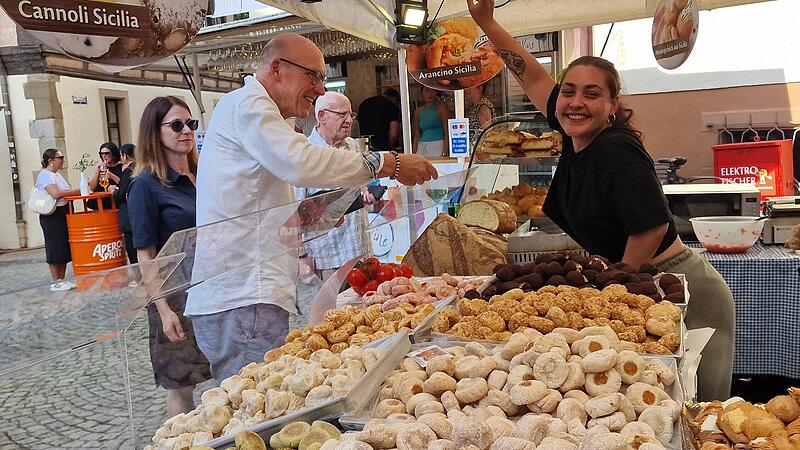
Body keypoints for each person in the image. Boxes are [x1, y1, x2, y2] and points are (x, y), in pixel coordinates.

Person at [468, 0, 734, 401]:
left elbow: (651, 227)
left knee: (696, 412)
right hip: (644, 279)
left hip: (680, 288)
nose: (575, 102)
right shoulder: (575, 132)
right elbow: (531, 74)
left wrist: (616, 291)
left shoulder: (615, 149)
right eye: (568, 92)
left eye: (591, 94)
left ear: (612, 106)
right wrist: (486, 21)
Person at [188, 32, 437, 382]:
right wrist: (388, 163)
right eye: (314, 76)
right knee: (256, 401)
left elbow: (267, 205)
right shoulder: (248, 105)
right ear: (277, 68)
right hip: (242, 296)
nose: (320, 89)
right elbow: (299, 162)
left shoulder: (263, 114)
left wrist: (322, 213)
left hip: (249, 295)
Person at [128, 96, 211, 418]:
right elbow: (145, 254)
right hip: (176, 297)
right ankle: (180, 438)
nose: (186, 131)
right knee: (182, 384)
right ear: (155, 132)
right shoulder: (146, 185)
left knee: (227, 371)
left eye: (190, 124)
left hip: (213, 288)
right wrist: (163, 310)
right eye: (176, 125)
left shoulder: (204, 174)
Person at [294, 92, 373, 281]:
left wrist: (366, 194)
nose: (349, 120)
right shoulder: (304, 154)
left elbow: (359, 190)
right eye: (342, 114)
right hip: (328, 259)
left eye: (351, 115)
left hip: (362, 253)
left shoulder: (353, 146)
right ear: (322, 116)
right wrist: (301, 256)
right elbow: (293, 212)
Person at [36, 148, 80, 291]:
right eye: (59, 157)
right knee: (54, 246)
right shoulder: (45, 175)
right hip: (52, 215)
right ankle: (56, 280)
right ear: (51, 160)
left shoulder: (57, 175)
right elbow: (55, 193)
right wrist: (76, 191)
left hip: (63, 212)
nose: (62, 160)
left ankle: (61, 279)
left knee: (62, 246)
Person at [109, 143, 136, 264]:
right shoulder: (141, 168)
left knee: (132, 250)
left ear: (124, 156)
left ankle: (138, 274)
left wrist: (114, 191)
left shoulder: (128, 171)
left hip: (129, 215)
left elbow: (121, 194)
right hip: (140, 213)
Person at [412, 86, 450, 158]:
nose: (430, 93)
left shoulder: (441, 108)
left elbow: (447, 132)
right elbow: (417, 135)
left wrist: (444, 153)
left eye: (433, 90)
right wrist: (413, 155)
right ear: (421, 93)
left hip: (437, 146)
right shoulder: (418, 112)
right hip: (421, 146)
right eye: (427, 90)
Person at [89, 142, 123, 210]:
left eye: (107, 153)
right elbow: (92, 188)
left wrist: (111, 175)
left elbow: (123, 184)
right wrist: (97, 171)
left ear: (113, 154)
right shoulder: (101, 168)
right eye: (102, 154)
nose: (104, 156)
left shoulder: (121, 167)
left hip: (114, 202)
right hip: (99, 202)